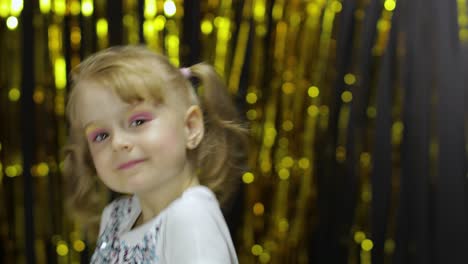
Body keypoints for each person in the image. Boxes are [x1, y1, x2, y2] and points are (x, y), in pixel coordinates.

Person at [63, 45, 247, 263]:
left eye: (138, 121)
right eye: (101, 135)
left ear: (190, 127)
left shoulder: (190, 220)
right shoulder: (116, 216)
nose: (118, 143)